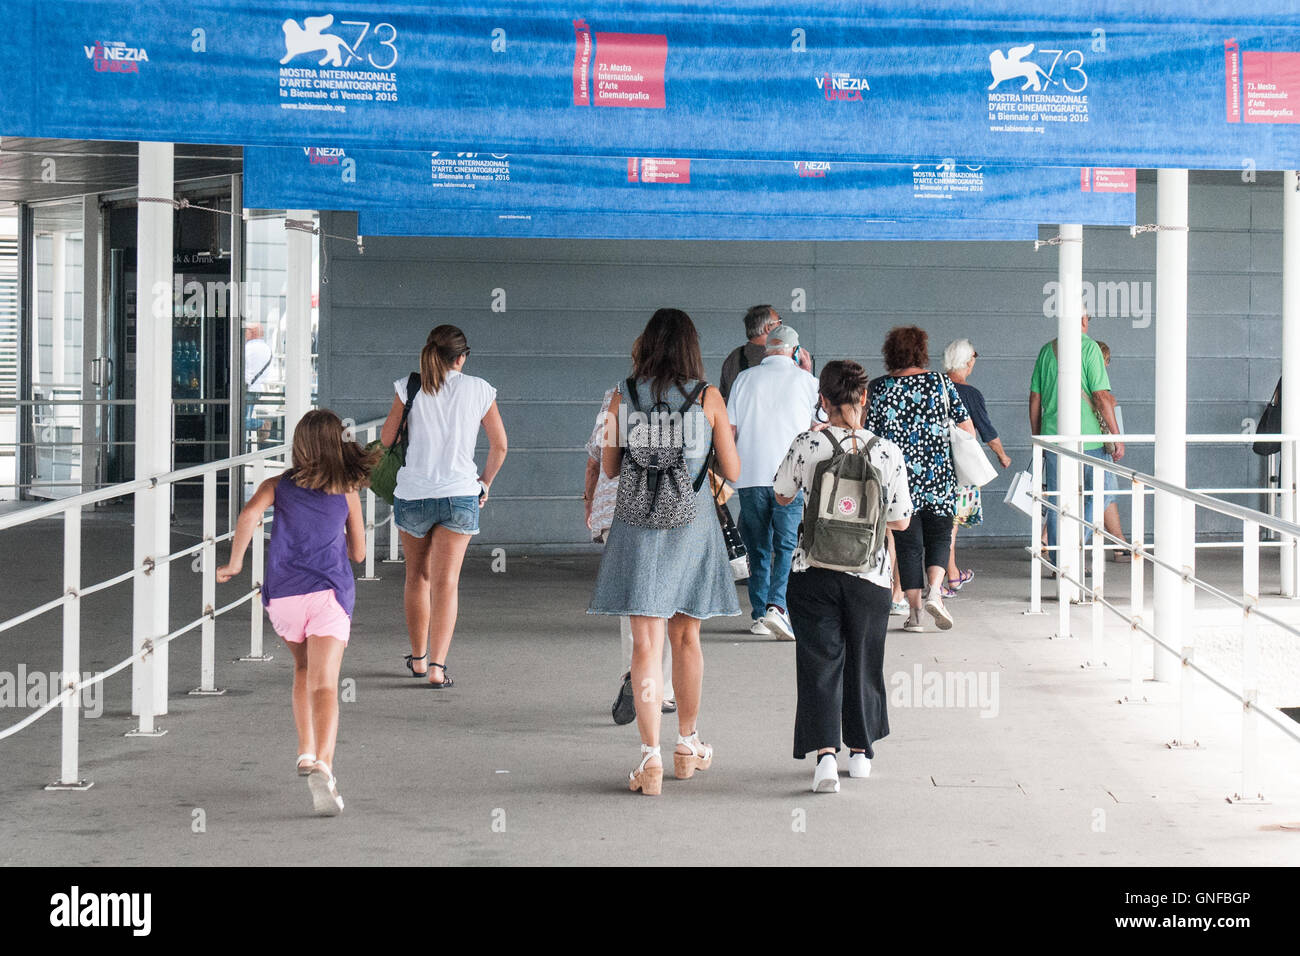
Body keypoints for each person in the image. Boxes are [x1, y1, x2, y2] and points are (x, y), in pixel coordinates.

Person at [588, 308, 742, 795]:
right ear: (691, 347)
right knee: (686, 640)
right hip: (690, 527)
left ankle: (649, 758)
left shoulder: (622, 396)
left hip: (636, 526)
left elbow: (610, 468)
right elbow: (734, 471)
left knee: (644, 647)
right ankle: (687, 744)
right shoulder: (708, 397)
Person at [217, 409, 376, 815]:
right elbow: (358, 553)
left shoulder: (278, 484)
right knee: (326, 685)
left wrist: (235, 564)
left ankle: (305, 751)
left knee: (303, 669)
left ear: (300, 445)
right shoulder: (347, 489)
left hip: (283, 600)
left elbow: (249, 515)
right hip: (329, 596)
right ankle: (325, 763)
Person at [774, 361, 913, 792]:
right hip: (869, 577)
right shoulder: (887, 451)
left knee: (820, 662)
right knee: (864, 660)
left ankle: (825, 761)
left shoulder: (807, 443)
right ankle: (860, 752)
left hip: (812, 571)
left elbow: (781, 495)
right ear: (864, 398)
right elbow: (902, 520)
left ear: (823, 400)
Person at [381, 325, 507, 687]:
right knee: (446, 582)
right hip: (459, 493)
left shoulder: (409, 387)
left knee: (416, 577)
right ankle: (438, 668)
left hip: (414, 494)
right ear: (462, 357)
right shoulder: (479, 388)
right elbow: (500, 446)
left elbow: (388, 438)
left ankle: (418, 659)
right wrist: (484, 483)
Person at [866, 325, 976, 633]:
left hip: (898, 480)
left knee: (907, 544)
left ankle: (915, 616)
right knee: (940, 537)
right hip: (938, 477)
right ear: (922, 352)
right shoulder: (940, 383)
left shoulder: (881, 388)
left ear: (890, 353)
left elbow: (870, 437)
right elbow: (967, 430)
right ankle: (936, 592)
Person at [584, 385, 675, 721]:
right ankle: (661, 689)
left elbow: (598, 455)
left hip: (618, 509)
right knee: (664, 599)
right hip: (669, 509)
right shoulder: (689, 393)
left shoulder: (617, 393)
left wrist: (589, 499)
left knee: (632, 601)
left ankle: (633, 676)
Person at [726, 323, 820, 639]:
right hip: (791, 477)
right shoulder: (807, 381)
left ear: (767, 349)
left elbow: (731, 431)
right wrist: (807, 370)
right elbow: (817, 426)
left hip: (750, 476)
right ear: (795, 351)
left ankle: (759, 615)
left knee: (758, 547)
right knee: (786, 543)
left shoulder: (744, 379)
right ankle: (777, 608)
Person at [1028, 312, 1124, 558]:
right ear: (1082, 320)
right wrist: (1115, 436)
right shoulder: (1090, 348)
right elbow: (1102, 397)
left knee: (1058, 501)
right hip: (1088, 439)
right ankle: (1075, 545)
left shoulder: (1046, 351)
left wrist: (1039, 436)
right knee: (1102, 492)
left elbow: (1035, 399)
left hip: (1053, 439)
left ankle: (1060, 559)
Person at [942, 339, 1012, 592]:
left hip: (929, 465)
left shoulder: (932, 385)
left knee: (938, 523)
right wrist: (1002, 456)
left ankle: (949, 574)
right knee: (951, 525)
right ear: (968, 362)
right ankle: (949, 577)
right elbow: (986, 431)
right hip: (960, 469)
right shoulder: (970, 394)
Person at [719, 304, 814, 401]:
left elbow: (723, 398)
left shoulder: (734, 357)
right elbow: (801, 398)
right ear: (768, 328)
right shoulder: (782, 358)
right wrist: (806, 373)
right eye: (779, 321)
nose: (782, 326)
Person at [1094, 341, 1130, 561]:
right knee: (1104, 491)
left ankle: (1119, 541)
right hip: (1097, 445)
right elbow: (1104, 404)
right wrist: (1118, 439)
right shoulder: (1098, 384)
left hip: (1084, 444)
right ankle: (1119, 543)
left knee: (1103, 492)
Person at [244, 323, 274, 446]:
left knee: (239, 421)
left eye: (246, 330)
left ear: (253, 332)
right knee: (242, 420)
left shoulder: (248, 348)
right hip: (256, 389)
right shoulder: (267, 348)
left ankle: (262, 424)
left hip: (246, 389)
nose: (244, 333)